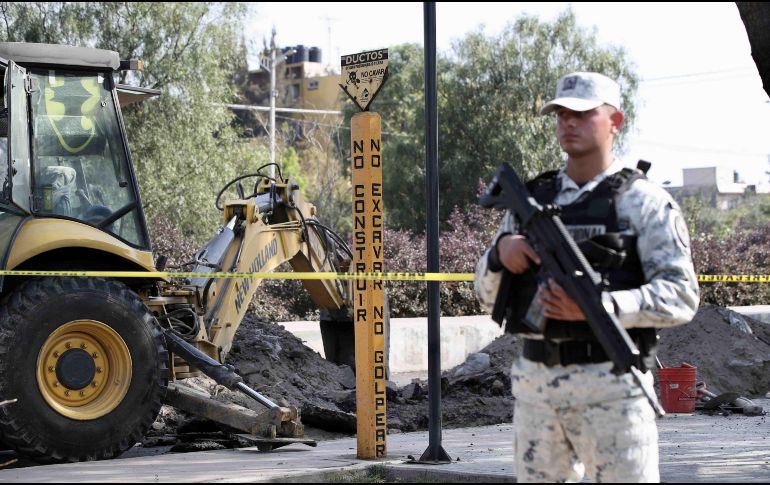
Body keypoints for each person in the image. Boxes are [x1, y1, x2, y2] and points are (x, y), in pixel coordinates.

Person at [474, 71, 699, 483]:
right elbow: (487, 298)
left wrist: (602, 307)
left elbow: (682, 295)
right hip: (537, 392)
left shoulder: (643, 203)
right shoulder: (531, 201)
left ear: (615, 121)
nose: (568, 123)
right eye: (560, 114)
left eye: (581, 113)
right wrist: (499, 256)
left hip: (612, 390)